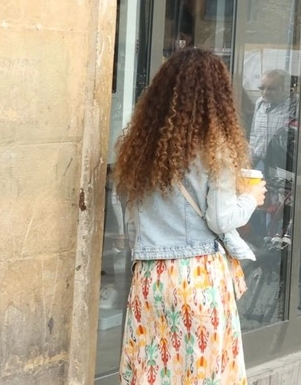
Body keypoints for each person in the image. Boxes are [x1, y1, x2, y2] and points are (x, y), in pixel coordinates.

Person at [114, 48, 265, 384]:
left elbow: (128, 212)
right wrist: (251, 199)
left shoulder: (143, 147)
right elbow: (221, 220)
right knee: (203, 375)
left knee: (151, 373)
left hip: (150, 279)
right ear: (219, 96)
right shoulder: (215, 148)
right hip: (198, 278)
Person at [248, 68, 295, 163]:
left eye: (271, 89)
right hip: (259, 161)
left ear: (286, 88)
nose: (265, 92)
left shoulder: (295, 105)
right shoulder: (260, 102)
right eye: (262, 88)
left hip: (282, 165)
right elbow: (254, 134)